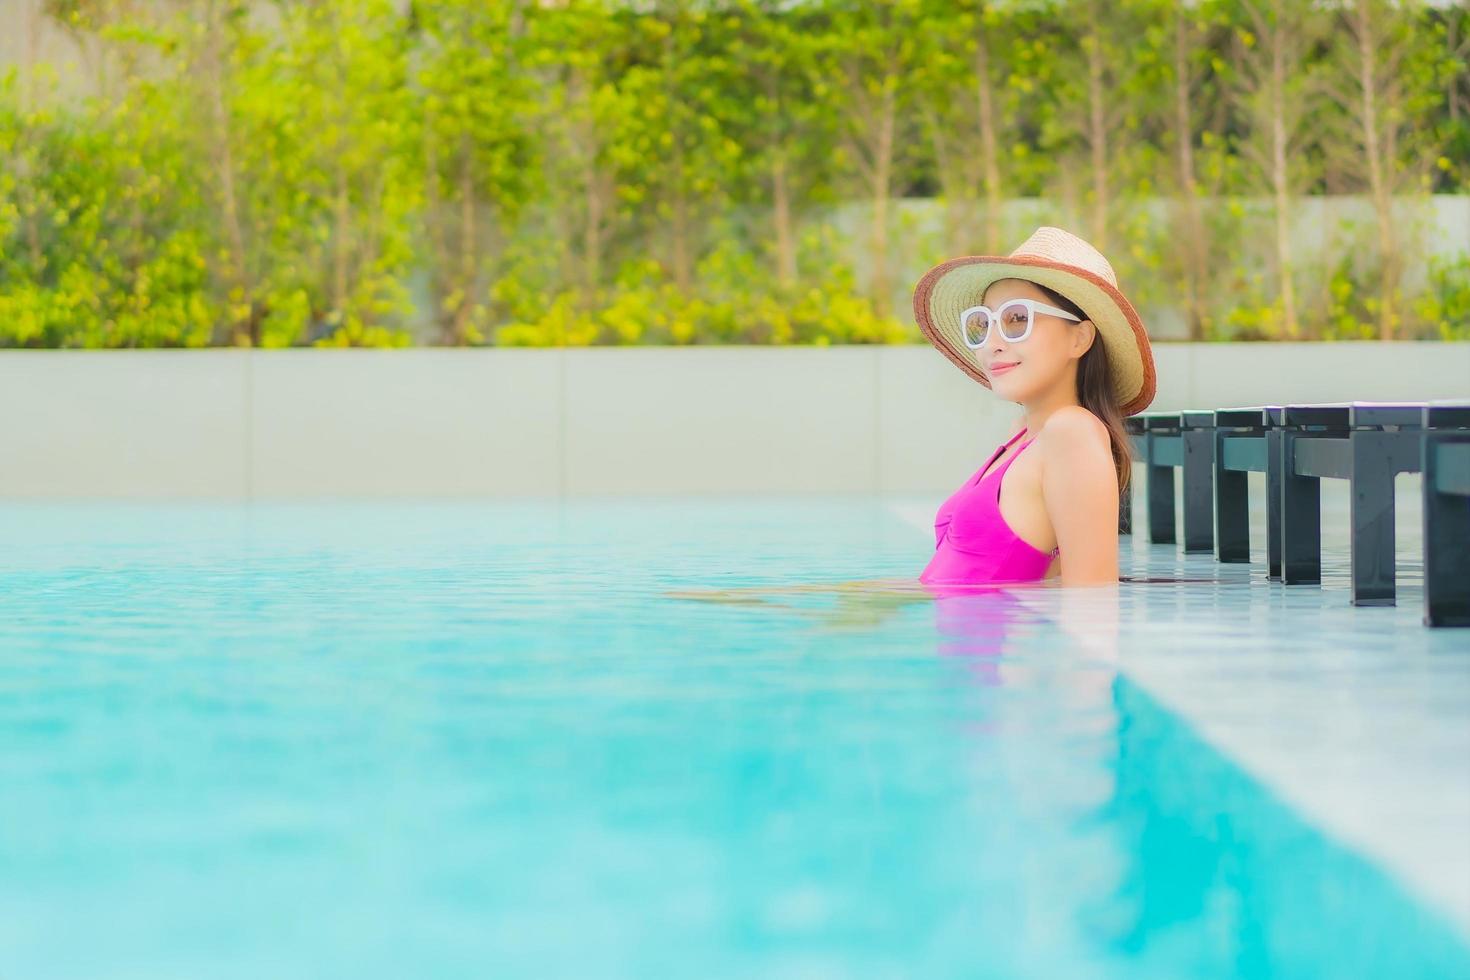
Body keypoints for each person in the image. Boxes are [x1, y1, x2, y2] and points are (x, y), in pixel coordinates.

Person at [665, 225, 1156, 612]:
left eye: (1017, 319)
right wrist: (810, 593)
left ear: (1080, 339)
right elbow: (989, 572)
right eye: (983, 324)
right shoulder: (1024, 438)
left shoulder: (1071, 433)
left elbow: (1093, 599)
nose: (993, 342)